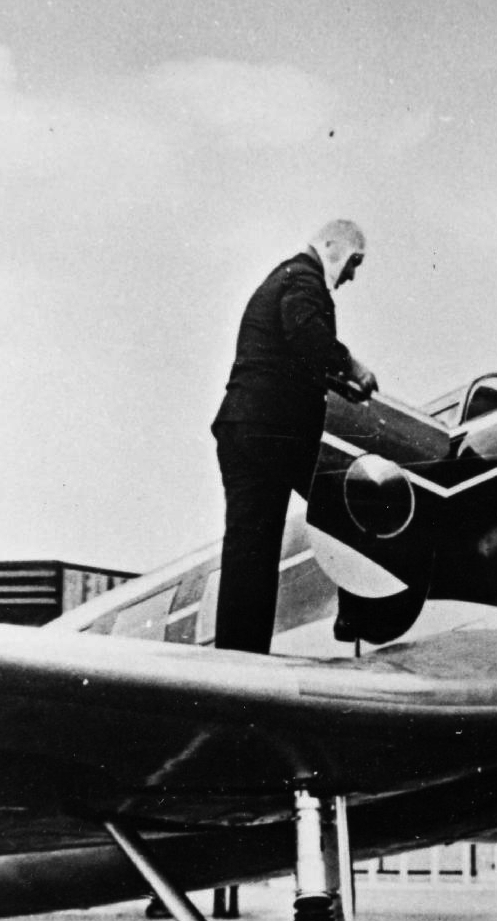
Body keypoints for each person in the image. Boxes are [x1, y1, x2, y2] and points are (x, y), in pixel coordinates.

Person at [210, 219, 379, 653]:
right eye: (354, 262)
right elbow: (306, 335)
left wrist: (337, 380)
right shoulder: (304, 279)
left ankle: (238, 660)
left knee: (250, 551)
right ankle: (360, 613)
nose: (353, 275)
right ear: (330, 246)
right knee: (351, 503)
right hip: (275, 431)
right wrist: (352, 367)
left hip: (242, 429)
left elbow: (296, 352)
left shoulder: (282, 277)